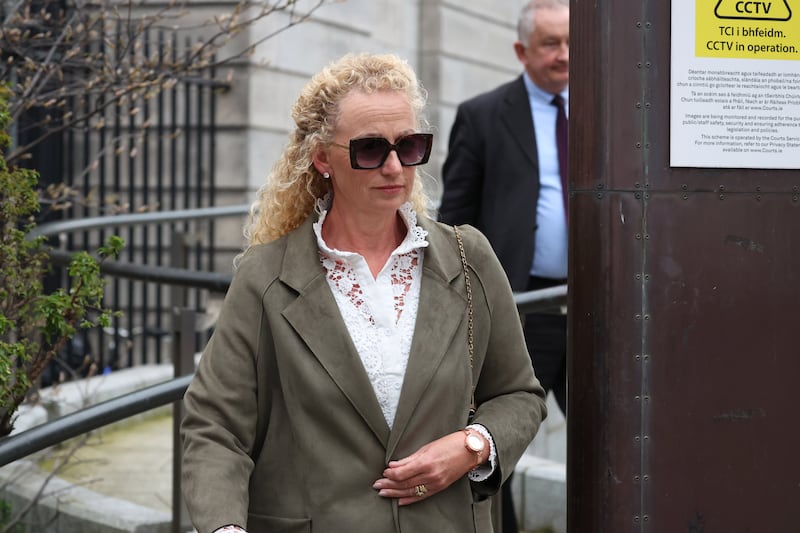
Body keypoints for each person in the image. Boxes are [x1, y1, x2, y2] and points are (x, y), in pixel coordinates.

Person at [180, 52, 548, 533]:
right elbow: (214, 426)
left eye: (411, 145)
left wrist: (473, 446)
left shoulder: (468, 257)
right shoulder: (266, 276)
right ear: (321, 157)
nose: (394, 166)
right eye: (370, 150)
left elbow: (519, 394)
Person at [438, 0, 569, 531]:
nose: (565, 55)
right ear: (521, 50)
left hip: (597, 306)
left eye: (571, 43)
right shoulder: (484, 115)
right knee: (499, 443)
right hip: (518, 309)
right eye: (550, 44)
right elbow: (455, 220)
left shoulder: (614, 112)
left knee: (618, 440)